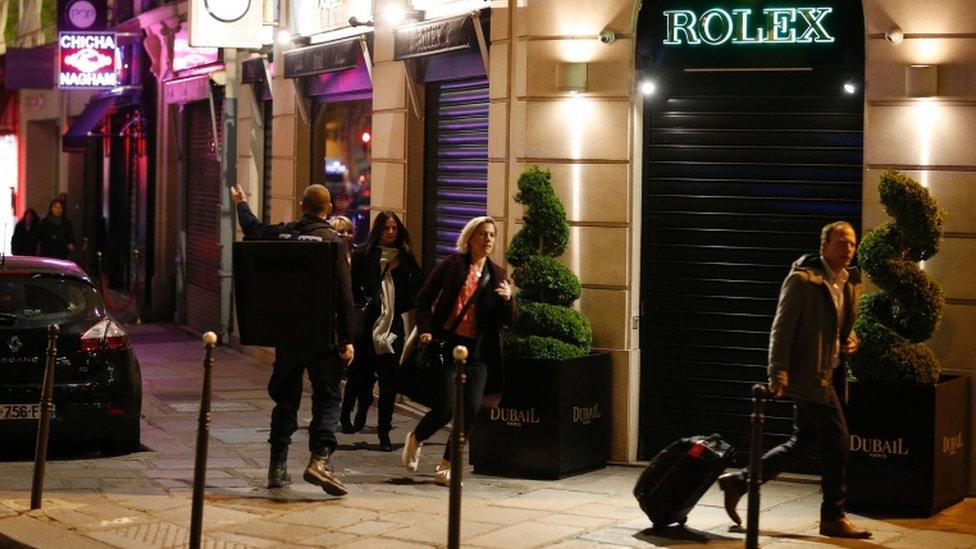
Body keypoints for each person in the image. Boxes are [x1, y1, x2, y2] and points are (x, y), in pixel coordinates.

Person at [718, 221, 871, 539]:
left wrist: (852, 340)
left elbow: (841, 329)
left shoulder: (849, 282)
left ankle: (739, 483)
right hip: (809, 376)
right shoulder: (803, 280)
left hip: (831, 373)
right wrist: (778, 373)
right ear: (824, 245)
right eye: (842, 242)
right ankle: (833, 515)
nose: (849, 249)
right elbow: (781, 328)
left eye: (853, 244)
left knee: (802, 444)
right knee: (838, 440)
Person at [230, 183, 355, 496]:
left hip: (288, 335)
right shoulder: (334, 241)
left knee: (285, 400)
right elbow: (344, 296)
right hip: (322, 337)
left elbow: (253, 230)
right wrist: (348, 339)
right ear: (329, 210)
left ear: (302, 206)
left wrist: (242, 202)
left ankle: (277, 467)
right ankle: (319, 460)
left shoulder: (284, 234)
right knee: (327, 398)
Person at [401, 216, 515, 486]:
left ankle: (447, 466)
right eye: (483, 234)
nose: (488, 240)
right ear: (470, 237)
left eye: (491, 235)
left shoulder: (497, 275)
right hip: (447, 344)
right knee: (446, 405)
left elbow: (508, 320)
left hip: (478, 352)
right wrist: (426, 329)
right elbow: (423, 299)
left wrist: (509, 300)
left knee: (471, 409)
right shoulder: (452, 265)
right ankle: (417, 437)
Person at [340, 211, 423, 452]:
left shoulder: (405, 258)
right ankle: (351, 413)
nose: (390, 232)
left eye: (394, 228)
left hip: (393, 327)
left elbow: (417, 290)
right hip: (368, 325)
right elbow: (353, 289)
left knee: (389, 383)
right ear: (379, 230)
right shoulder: (364, 254)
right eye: (386, 228)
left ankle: (384, 432)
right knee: (360, 376)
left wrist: (398, 270)